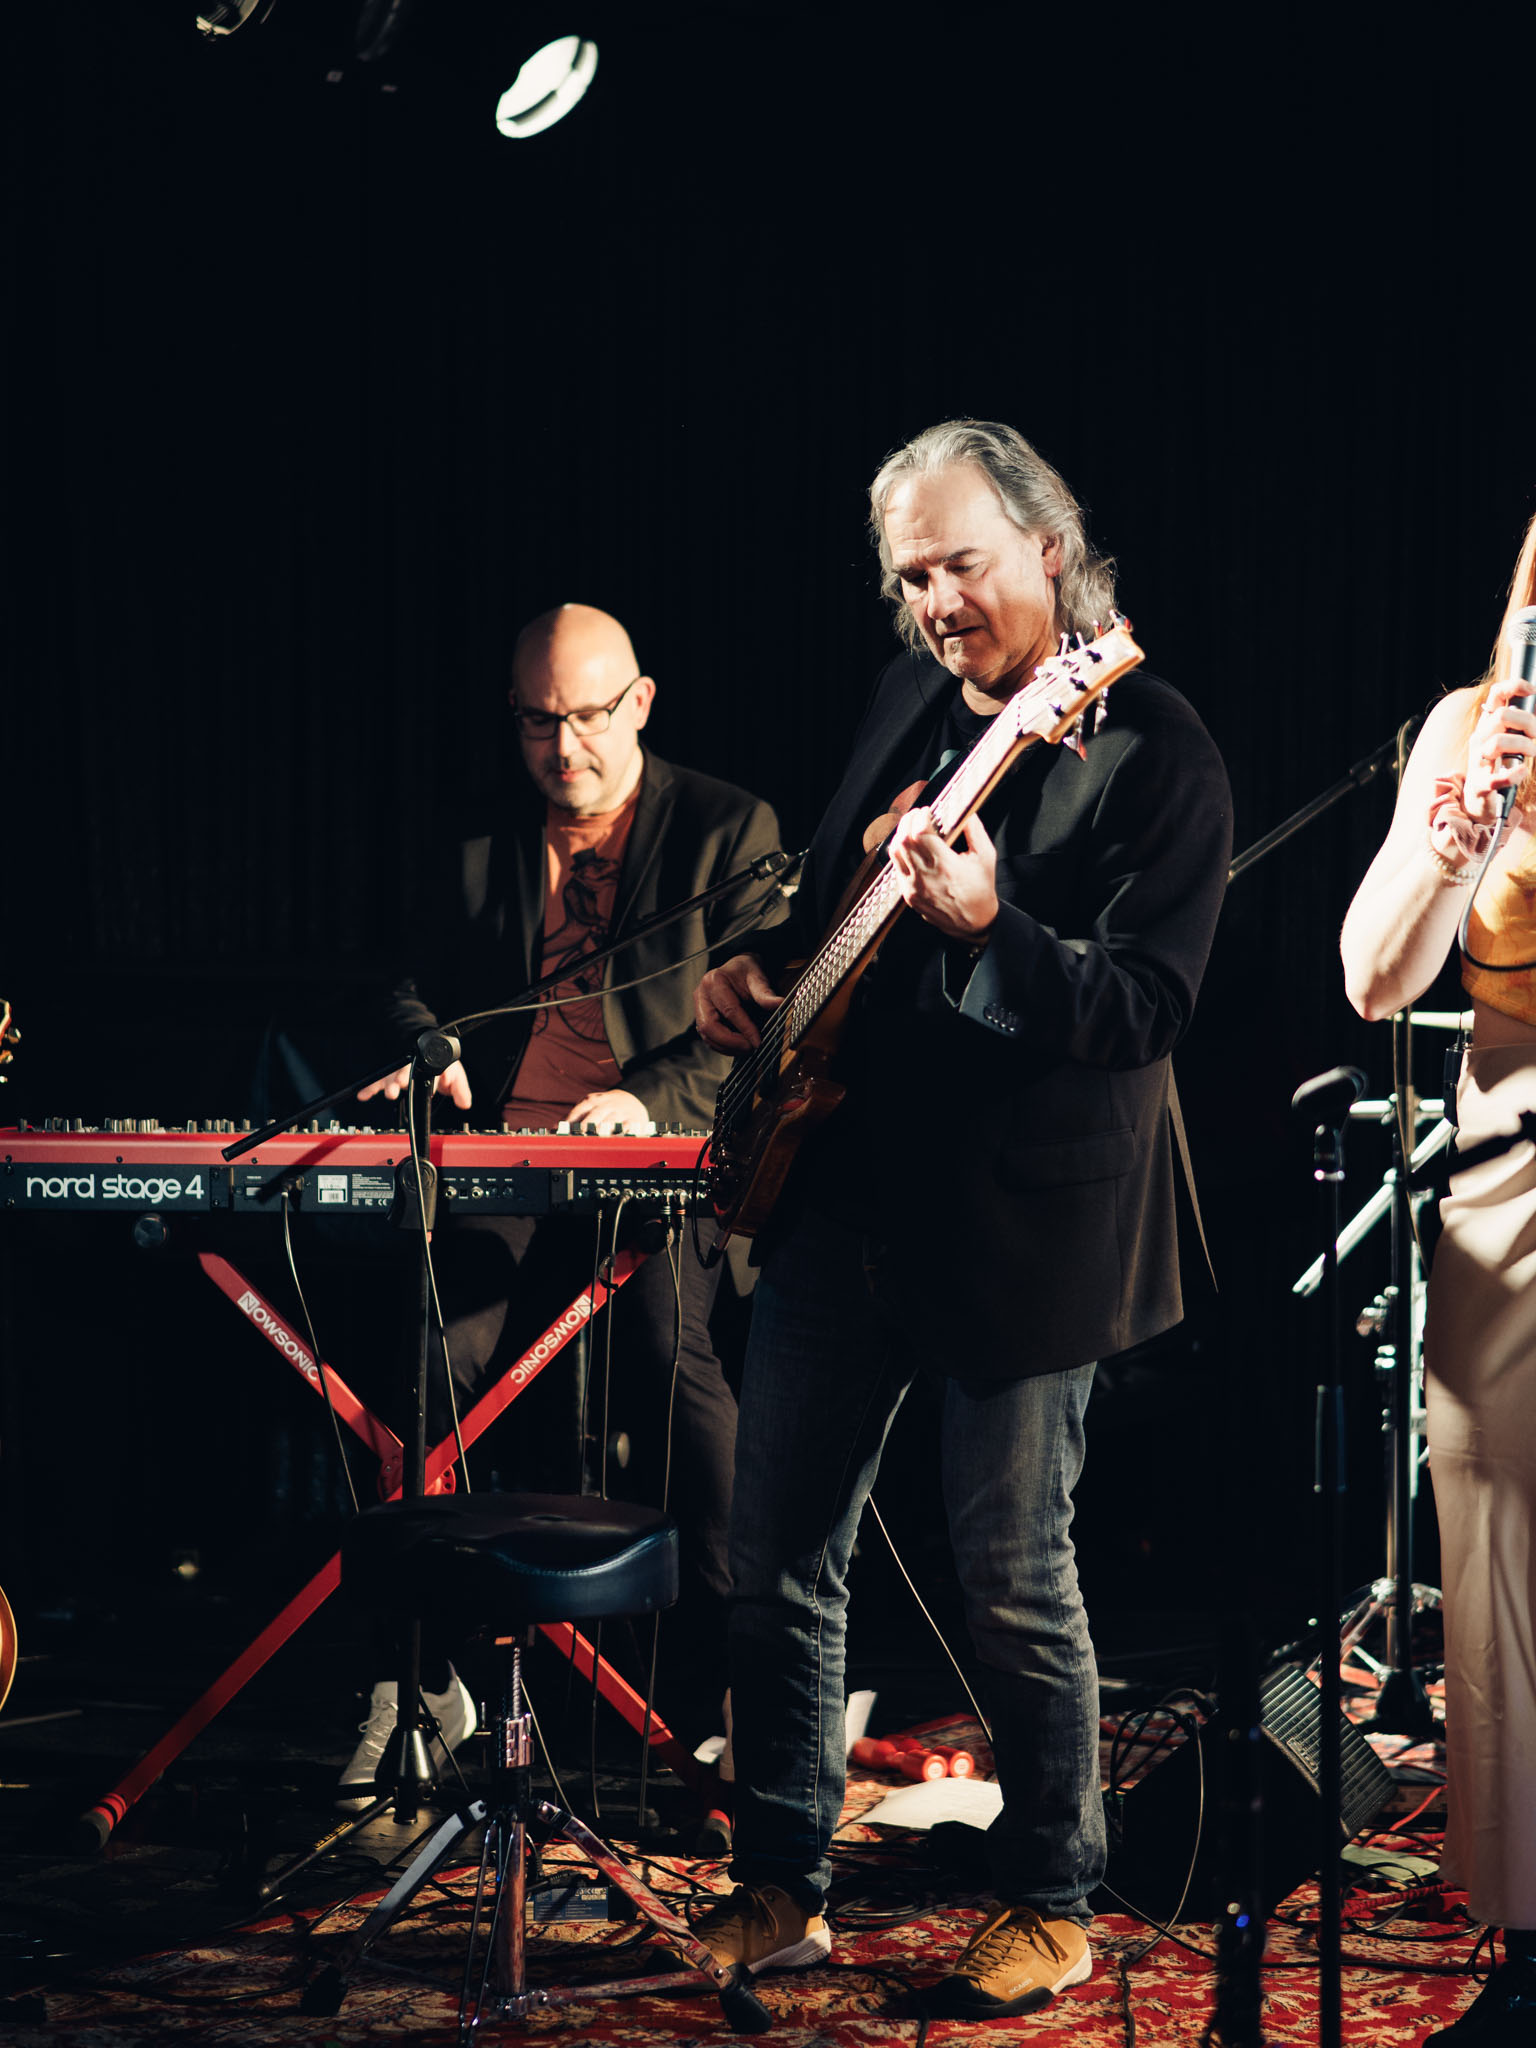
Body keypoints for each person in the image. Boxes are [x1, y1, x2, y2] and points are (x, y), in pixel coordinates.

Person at [691, 420, 1232, 2016]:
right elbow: (835, 903)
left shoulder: (1157, 751)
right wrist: (762, 978)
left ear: (1050, 550)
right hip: (846, 1194)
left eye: (963, 565)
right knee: (777, 1556)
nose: (936, 603)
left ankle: (1051, 1900)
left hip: (1027, 1233)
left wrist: (999, 930)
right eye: (912, 575)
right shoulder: (909, 699)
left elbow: (1146, 1009)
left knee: (1012, 1577)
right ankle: (780, 1880)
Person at [338, 601, 783, 1807]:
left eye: (586, 716)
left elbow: (769, 1011)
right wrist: (430, 1047)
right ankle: (422, 1677)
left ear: (640, 703)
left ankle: (744, 1686)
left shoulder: (729, 828)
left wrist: (647, 1096)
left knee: (670, 1359)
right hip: (505, 1155)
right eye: (539, 721)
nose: (563, 745)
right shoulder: (476, 840)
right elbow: (405, 985)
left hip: (657, 1154)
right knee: (426, 1366)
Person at [1341, 517, 1536, 2047]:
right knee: (1491, 1524)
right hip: (1510, 1167)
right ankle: (1530, 1950)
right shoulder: (1476, 728)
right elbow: (1374, 975)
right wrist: (1454, 840)